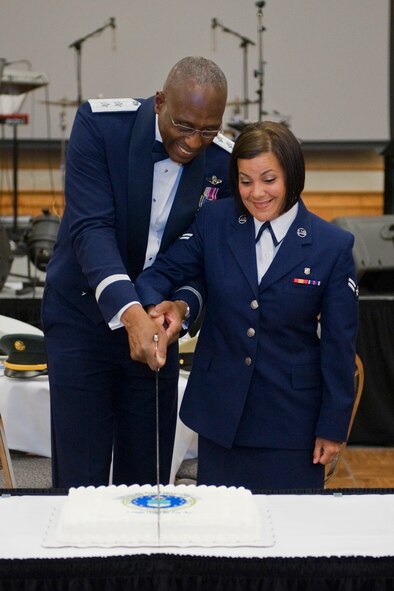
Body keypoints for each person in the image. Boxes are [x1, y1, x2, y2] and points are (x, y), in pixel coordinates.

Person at [41, 56, 233, 488]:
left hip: (156, 331)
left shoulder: (222, 159)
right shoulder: (101, 125)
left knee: (146, 481)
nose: (194, 143)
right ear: (160, 101)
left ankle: (141, 559)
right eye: (184, 126)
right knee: (80, 478)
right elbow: (90, 229)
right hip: (82, 319)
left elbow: (202, 253)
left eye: (208, 130)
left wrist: (181, 307)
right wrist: (130, 313)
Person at [135, 121, 359, 490]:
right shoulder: (216, 220)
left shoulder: (331, 245)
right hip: (220, 418)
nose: (256, 193)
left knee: (288, 536)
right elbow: (164, 272)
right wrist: (152, 308)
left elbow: (339, 344)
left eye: (268, 179)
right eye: (245, 181)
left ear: (293, 175)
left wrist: (332, 427)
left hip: (292, 423)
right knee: (222, 536)